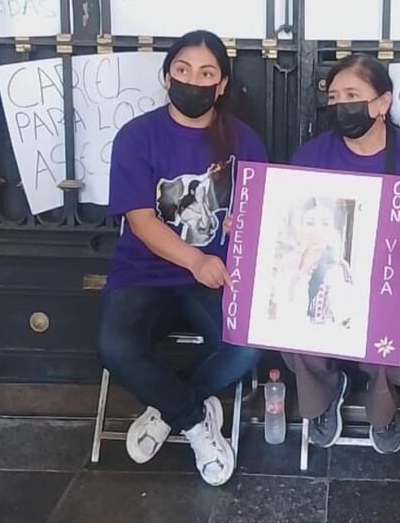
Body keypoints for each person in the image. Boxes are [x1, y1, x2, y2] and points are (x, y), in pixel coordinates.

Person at [96, 30, 267, 487]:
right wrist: (193, 259)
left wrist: (240, 229)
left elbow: (260, 211)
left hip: (217, 274)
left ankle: (167, 406)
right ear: (166, 76)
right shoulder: (138, 136)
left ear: (222, 84)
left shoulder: (244, 141)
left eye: (207, 72)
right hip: (146, 271)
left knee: (248, 345)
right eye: (183, 70)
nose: (194, 80)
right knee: (115, 346)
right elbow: (141, 220)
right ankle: (194, 421)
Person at [280, 54, 400, 454]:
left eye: (353, 95)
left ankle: (382, 411)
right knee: (296, 328)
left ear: (382, 104)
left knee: (384, 344)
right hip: (327, 272)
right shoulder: (311, 156)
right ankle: (324, 399)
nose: (342, 104)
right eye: (335, 96)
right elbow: (287, 218)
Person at [268, 199, 355, 327]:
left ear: (332, 229)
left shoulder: (338, 269)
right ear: (302, 226)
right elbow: (276, 308)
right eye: (310, 223)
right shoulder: (289, 261)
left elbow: (344, 320)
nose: (317, 231)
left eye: (325, 224)